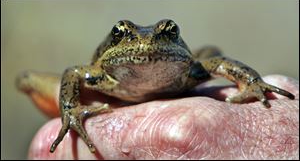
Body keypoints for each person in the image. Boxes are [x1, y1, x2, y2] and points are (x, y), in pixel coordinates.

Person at [25, 75, 298, 159]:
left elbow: (217, 60)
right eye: (124, 35)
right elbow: (74, 72)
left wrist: (252, 82)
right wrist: (70, 110)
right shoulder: (96, 75)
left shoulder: (192, 69)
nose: (145, 45)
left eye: (167, 34)